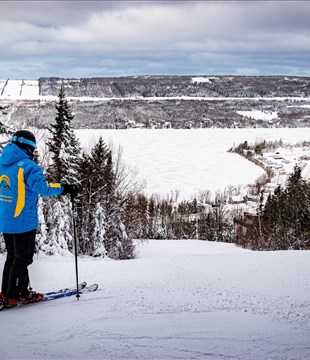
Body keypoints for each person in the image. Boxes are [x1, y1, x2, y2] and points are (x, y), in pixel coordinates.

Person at [0, 130, 78, 305]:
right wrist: (65, 188)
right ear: (29, 146)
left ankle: (9, 292)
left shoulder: (2, 163)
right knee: (23, 258)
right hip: (22, 221)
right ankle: (15, 294)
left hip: (5, 220)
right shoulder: (28, 166)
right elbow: (44, 188)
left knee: (13, 256)